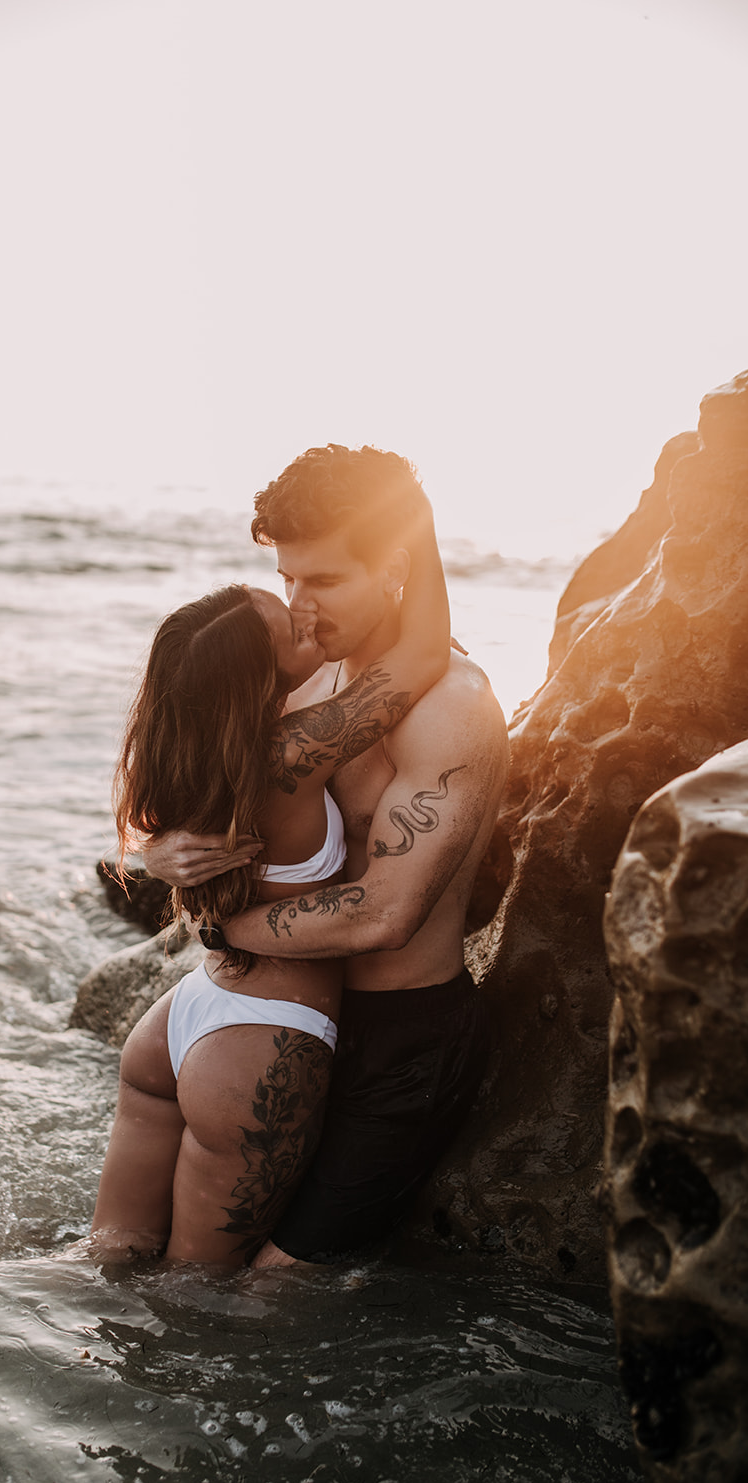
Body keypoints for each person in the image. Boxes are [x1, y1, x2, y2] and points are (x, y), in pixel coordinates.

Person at [144, 445, 510, 1265]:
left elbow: (384, 911)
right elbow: (190, 769)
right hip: (291, 1021)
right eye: (289, 581)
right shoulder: (304, 684)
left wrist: (222, 927)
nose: (301, 608)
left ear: (395, 569)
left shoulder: (450, 710)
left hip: (397, 1042)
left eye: (327, 581)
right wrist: (162, 852)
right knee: (170, 1264)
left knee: (272, 1294)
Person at [89, 485, 452, 1266]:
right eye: (287, 621)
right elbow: (422, 655)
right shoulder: (285, 756)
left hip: (180, 1018)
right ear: (263, 679)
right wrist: (412, 526)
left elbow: (153, 841)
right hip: (257, 1040)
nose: (303, 613)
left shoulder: (181, 758)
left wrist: (156, 858)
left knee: (110, 1255)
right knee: (195, 1295)